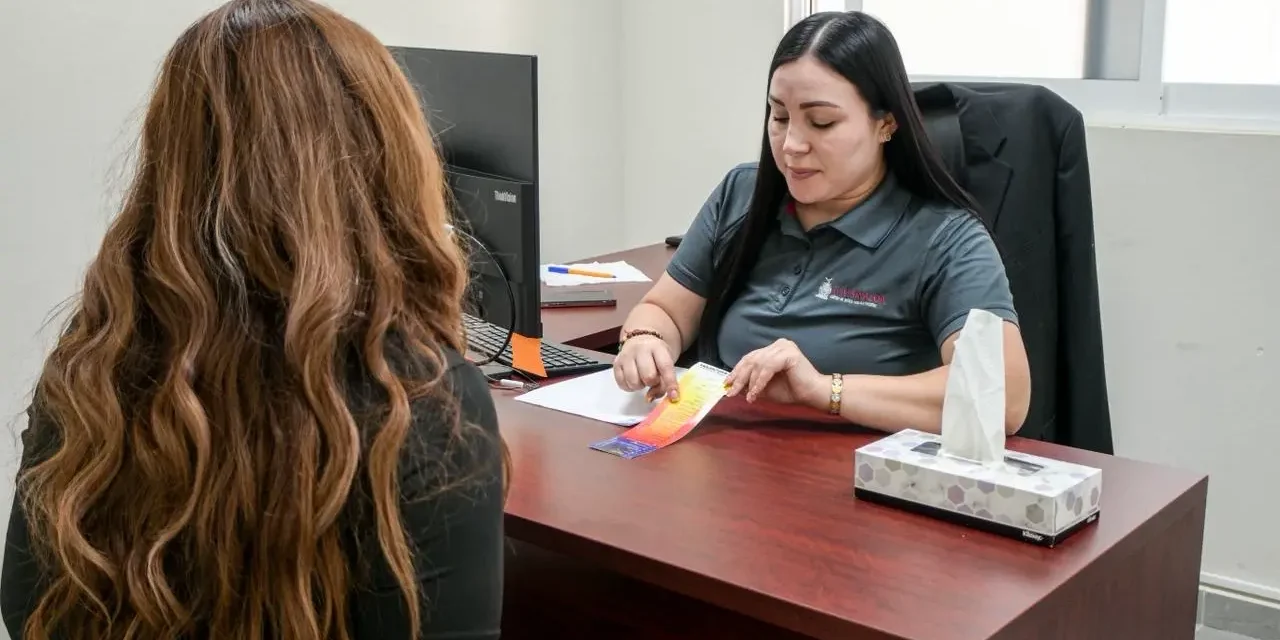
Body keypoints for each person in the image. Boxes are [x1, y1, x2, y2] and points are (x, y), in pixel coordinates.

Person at [1, 1, 507, 639]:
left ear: (171, 168)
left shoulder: (92, 365)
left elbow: (29, 614)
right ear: (383, 162)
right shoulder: (423, 403)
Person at [613, 11, 1031, 435]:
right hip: (727, 462)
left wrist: (824, 391)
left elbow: (1003, 397)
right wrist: (646, 339)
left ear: (886, 123)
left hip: (852, 479)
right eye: (779, 117)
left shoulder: (947, 239)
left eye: (822, 122)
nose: (792, 145)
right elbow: (665, 309)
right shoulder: (743, 193)